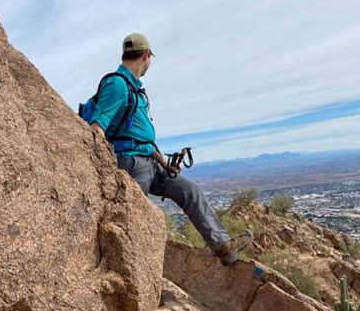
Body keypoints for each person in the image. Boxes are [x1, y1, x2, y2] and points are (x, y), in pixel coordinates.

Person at [90, 33, 252, 265]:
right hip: (131, 163)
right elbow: (97, 128)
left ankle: (223, 247)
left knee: (189, 190)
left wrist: (164, 160)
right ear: (146, 56)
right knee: (135, 218)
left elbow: (142, 137)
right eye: (150, 59)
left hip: (150, 161)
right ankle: (133, 269)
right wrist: (103, 170)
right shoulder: (117, 84)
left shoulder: (135, 89)